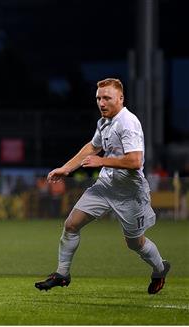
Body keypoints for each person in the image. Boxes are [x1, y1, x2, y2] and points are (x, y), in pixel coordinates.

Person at [35, 78, 170, 294]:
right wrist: (66, 168)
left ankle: (160, 268)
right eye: (98, 98)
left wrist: (102, 161)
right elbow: (92, 147)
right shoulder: (104, 122)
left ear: (120, 98)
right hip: (106, 186)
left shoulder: (129, 122)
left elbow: (135, 161)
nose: (101, 102)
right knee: (71, 225)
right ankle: (62, 274)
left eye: (106, 98)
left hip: (130, 193)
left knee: (135, 243)